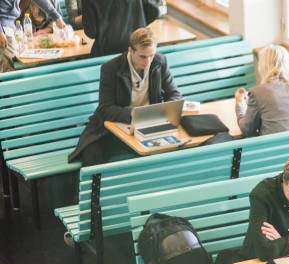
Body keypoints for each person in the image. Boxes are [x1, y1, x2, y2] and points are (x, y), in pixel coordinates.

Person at [68, 27, 181, 166]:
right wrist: (135, 114)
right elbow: (105, 109)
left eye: (151, 55)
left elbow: (174, 94)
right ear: (131, 51)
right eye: (142, 56)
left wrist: (163, 112)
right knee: (92, 156)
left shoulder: (160, 61)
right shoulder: (111, 68)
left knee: (171, 152)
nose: (147, 62)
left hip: (147, 127)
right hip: (111, 129)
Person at [234, 44, 289, 137]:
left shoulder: (258, 92)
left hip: (273, 150)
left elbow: (247, 129)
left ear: (263, 65)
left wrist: (240, 105)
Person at [0, 0, 64, 72]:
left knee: (15, 58)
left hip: (11, 26)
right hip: (4, 27)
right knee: (10, 63)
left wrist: (57, 18)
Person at [83, 0, 159, 57]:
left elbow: (91, 32)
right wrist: (138, 22)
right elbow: (154, 11)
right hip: (137, 50)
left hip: (106, 53)